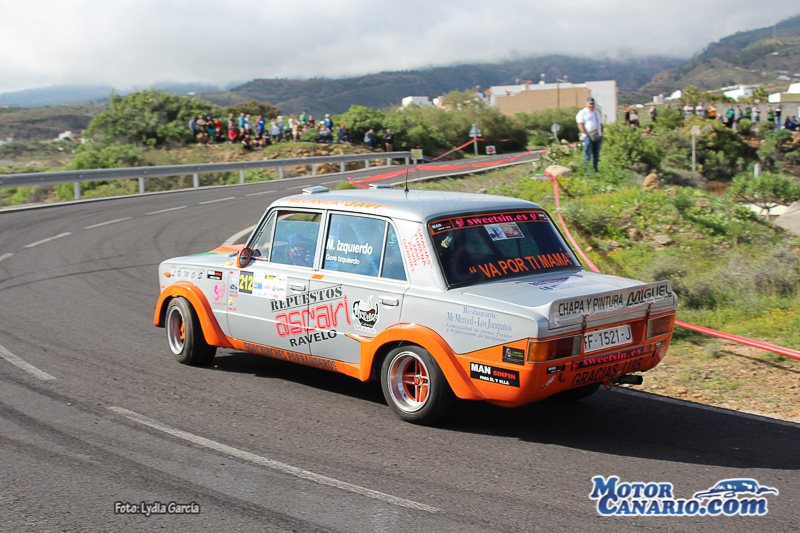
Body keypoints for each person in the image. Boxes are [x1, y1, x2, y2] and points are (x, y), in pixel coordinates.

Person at [576, 97, 603, 172]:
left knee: (596, 154)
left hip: (597, 135)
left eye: (592, 104)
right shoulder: (582, 112)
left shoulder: (596, 112)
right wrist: (586, 133)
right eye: (590, 104)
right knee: (587, 154)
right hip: (588, 136)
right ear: (586, 103)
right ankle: (586, 170)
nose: (591, 105)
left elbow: (600, 124)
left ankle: (595, 169)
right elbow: (580, 124)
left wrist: (601, 133)